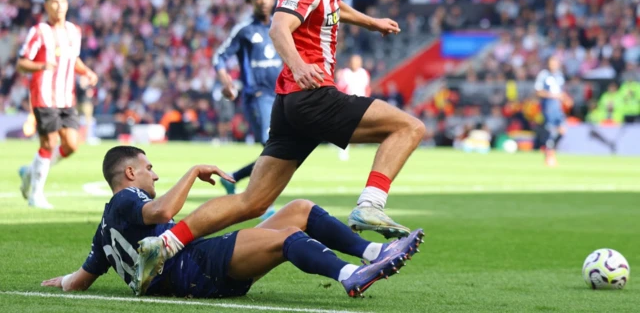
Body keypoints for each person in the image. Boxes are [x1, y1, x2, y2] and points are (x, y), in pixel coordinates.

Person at [134, 0, 426, 290]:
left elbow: (335, 9)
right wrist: (299, 64)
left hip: (289, 105)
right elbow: (279, 26)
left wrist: (372, 22)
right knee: (409, 127)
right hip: (312, 95)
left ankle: (164, 244)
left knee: (252, 202)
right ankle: (370, 205)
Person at [41, 146, 424, 299]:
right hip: (189, 267)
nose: (154, 176)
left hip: (191, 267)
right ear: (129, 172)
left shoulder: (104, 232)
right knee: (287, 235)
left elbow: (80, 280)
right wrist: (192, 172)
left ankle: (374, 251)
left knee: (300, 209)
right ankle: (349, 275)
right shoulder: (128, 197)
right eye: (149, 168)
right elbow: (159, 213)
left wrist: (60, 281)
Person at [16, 0, 98, 209]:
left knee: (71, 145)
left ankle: (30, 172)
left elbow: (74, 60)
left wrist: (87, 71)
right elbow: (21, 62)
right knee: (49, 142)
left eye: (62, 1)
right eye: (54, 2)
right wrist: (42, 65)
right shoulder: (39, 31)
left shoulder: (74, 31)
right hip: (43, 95)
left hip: (66, 97)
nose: (59, 6)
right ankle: (35, 195)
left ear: (67, 4)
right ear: (46, 5)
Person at [213, 0, 281, 219]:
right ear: (250, 1)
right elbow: (219, 56)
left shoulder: (282, 26)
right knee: (271, 146)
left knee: (284, 151)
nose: (263, 0)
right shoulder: (243, 30)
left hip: (283, 95)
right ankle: (264, 203)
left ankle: (233, 177)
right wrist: (226, 82)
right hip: (258, 96)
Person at [535, 56, 570, 166]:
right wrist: (553, 96)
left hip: (558, 107)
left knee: (562, 131)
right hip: (548, 107)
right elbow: (538, 91)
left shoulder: (559, 75)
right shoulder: (543, 75)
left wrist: (566, 98)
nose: (553, 64)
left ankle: (550, 151)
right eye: (551, 62)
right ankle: (549, 157)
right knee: (551, 132)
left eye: (555, 62)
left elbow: (561, 92)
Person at [336, 54, 371, 161]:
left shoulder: (364, 73)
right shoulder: (345, 73)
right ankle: (343, 151)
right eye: (354, 61)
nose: (356, 63)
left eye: (358, 61)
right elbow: (340, 88)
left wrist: (366, 101)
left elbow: (367, 88)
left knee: (360, 126)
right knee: (345, 128)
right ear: (350, 62)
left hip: (361, 103)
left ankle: (358, 144)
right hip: (348, 103)